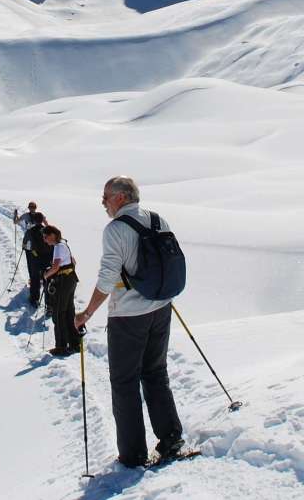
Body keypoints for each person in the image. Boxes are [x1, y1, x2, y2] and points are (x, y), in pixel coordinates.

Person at [75, 175, 184, 468]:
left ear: (121, 197)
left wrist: (86, 313)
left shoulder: (116, 229)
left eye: (105, 197)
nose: (103, 203)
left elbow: (108, 276)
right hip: (161, 308)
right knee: (156, 373)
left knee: (124, 382)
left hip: (128, 316)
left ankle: (134, 454)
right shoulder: (158, 220)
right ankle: (171, 437)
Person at [41, 224, 81, 356]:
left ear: (52, 235)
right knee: (69, 311)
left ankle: (61, 346)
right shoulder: (64, 244)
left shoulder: (58, 247)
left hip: (64, 281)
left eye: (46, 237)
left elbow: (56, 266)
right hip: (71, 279)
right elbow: (73, 261)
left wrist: (45, 276)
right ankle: (75, 343)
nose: (45, 240)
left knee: (58, 313)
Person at [22, 211, 53, 308]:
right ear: (42, 220)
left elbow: (25, 243)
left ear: (34, 220)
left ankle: (34, 299)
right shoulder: (47, 231)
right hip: (48, 258)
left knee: (35, 278)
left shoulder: (30, 231)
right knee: (47, 280)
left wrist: (25, 248)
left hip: (35, 258)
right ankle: (49, 305)